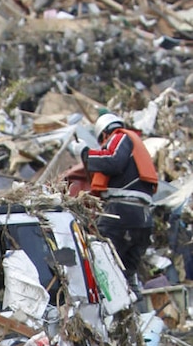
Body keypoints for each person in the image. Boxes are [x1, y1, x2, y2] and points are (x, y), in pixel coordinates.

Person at [70, 112, 159, 294]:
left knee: (101, 263)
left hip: (122, 213)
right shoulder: (136, 148)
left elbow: (112, 162)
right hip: (143, 219)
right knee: (127, 274)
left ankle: (106, 315)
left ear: (104, 133)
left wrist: (85, 152)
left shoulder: (119, 136)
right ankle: (133, 316)